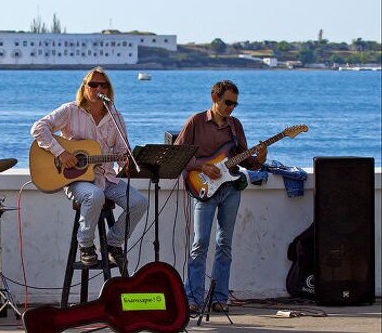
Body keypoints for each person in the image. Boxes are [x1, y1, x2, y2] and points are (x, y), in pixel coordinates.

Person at [31, 66, 148, 275]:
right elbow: (38, 128)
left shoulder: (115, 116)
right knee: (94, 195)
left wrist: (126, 163)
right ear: (85, 87)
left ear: (108, 89)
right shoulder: (70, 110)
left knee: (139, 202)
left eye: (103, 84)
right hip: (76, 180)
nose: (98, 88)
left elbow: (122, 150)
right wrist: (60, 153)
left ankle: (113, 242)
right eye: (93, 84)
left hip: (106, 178)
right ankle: (85, 244)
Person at [174, 80, 267, 314]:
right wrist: (203, 167)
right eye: (227, 102)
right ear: (215, 98)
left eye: (235, 104)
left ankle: (219, 298)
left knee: (224, 244)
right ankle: (193, 297)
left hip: (230, 189)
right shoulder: (195, 122)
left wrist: (260, 158)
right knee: (200, 244)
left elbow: (246, 160)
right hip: (203, 188)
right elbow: (177, 154)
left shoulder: (235, 126)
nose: (231, 108)